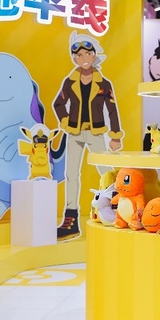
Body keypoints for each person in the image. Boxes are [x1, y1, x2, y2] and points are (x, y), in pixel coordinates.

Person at [53, 32, 123, 239]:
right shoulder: (69, 82)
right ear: (74, 58)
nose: (83, 58)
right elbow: (58, 104)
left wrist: (115, 136)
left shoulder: (104, 83)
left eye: (87, 54)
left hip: (95, 132)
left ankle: (118, 207)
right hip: (74, 133)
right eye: (78, 55)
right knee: (71, 174)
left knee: (107, 172)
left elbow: (112, 110)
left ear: (94, 56)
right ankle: (71, 219)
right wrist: (65, 121)